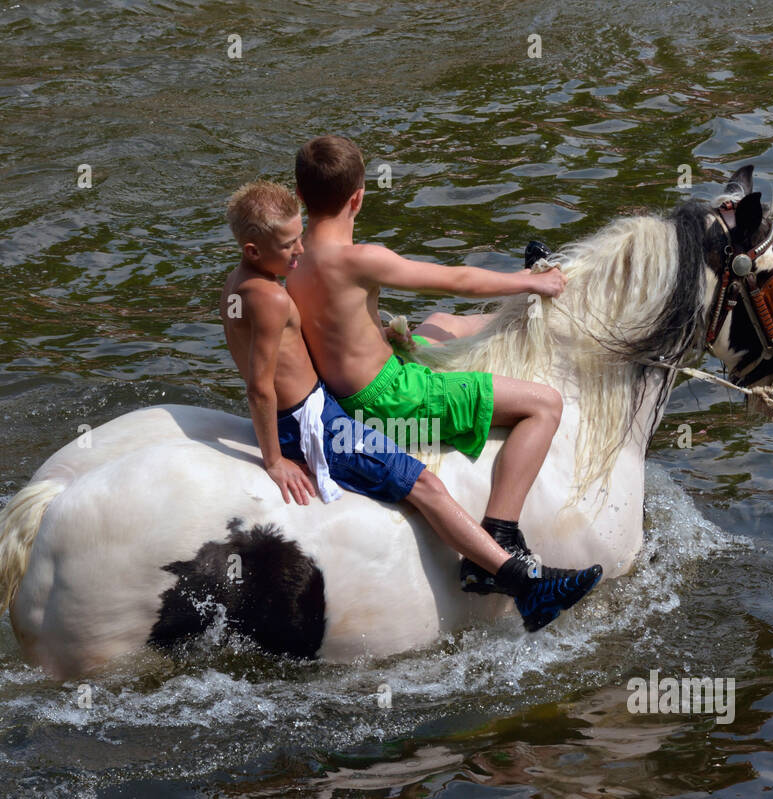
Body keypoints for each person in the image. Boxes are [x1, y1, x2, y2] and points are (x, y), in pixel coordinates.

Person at [219, 180, 601, 631]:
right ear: (253, 248)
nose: (300, 250)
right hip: (315, 423)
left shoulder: (245, 282)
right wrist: (276, 459)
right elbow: (261, 388)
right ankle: (520, 582)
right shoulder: (272, 298)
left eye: (301, 235)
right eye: (288, 244)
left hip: (318, 404)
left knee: (439, 328)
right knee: (428, 489)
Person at [285, 134, 596, 598]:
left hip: (351, 385)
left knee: (442, 321)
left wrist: (383, 334)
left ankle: (524, 316)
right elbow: (459, 279)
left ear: (300, 195)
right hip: (392, 399)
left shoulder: (291, 255)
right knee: (545, 405)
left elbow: (324, 324)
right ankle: (501, 535)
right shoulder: (359, 259)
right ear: (359, 197)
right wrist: (533, 284)